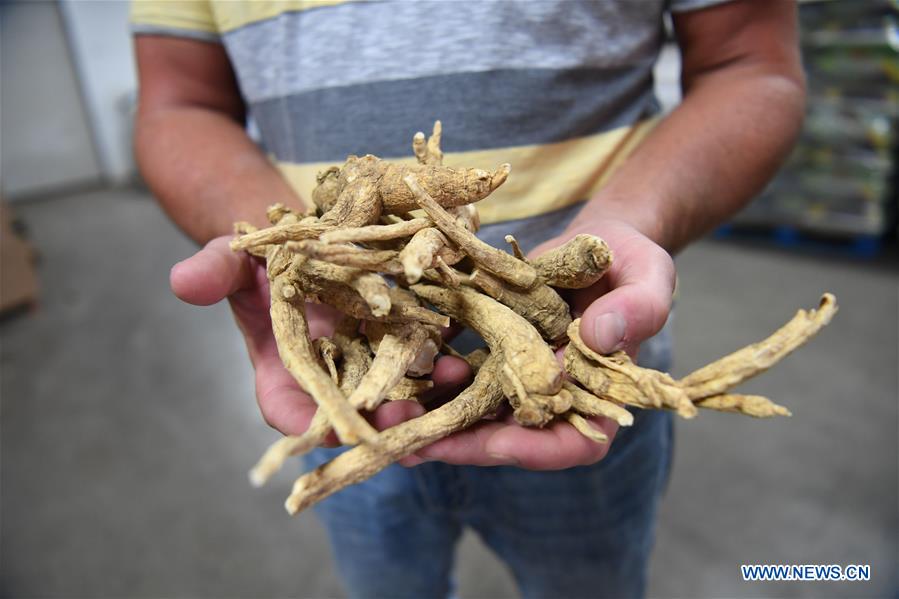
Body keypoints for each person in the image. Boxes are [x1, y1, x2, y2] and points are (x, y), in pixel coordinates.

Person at [131, 1, 804, 596]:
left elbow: (749, 64)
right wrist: (285, 251)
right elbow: (178, 104)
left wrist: (634, 215)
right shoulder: (348, 266)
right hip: (346, 376)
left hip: (584, 361)